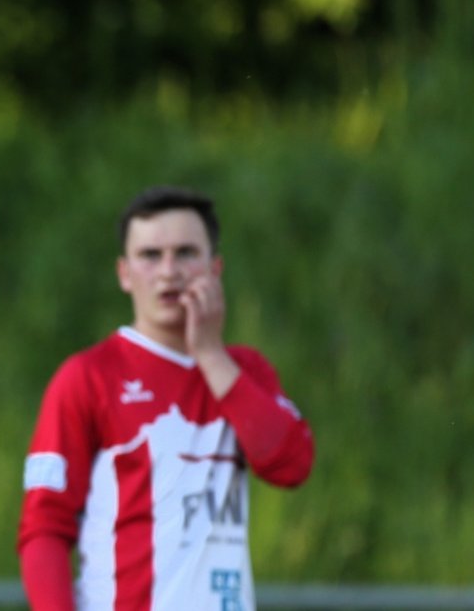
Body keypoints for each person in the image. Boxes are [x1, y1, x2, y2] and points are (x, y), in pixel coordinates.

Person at [17, 186, 313, 611]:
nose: (169, 271)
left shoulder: (244, 371)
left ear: (215, 268)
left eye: (186, 253)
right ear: (124, 272)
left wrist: (210, 354)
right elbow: (44, 527)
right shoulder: (89, 377)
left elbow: (292, 465)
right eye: (151, 255)